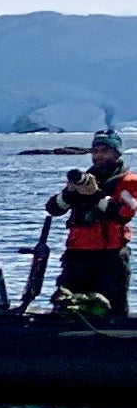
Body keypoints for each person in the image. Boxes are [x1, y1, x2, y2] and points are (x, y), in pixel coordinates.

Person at [53, 132, 137, 318]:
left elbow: (124, 214)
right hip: (77, 256)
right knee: (67, 305)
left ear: (117, 153)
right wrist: (69, 193)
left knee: (113, 311)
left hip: (109, 257)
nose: (98, 155)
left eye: (104, 151)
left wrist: (95, 194)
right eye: (95, 150)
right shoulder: (85, 179)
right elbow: (54, 209)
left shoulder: (128, 181)